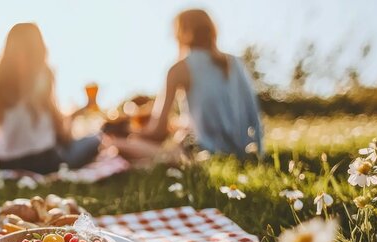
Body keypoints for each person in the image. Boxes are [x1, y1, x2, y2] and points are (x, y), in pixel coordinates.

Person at [109, 9, 263, 161]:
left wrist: (131, 131)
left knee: (114, 144)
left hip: (203, 152)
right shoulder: (234, 62)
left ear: (185, 33)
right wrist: (259, 150)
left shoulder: (179, 69)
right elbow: (252, 112)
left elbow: (157, 130)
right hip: (242, 150)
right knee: (177, 134)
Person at [0, 23, 100, 174]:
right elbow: (59, 128)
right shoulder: (44, 75)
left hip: (5, 163)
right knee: (95, 139)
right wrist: (82, 110)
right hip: (44, 162)